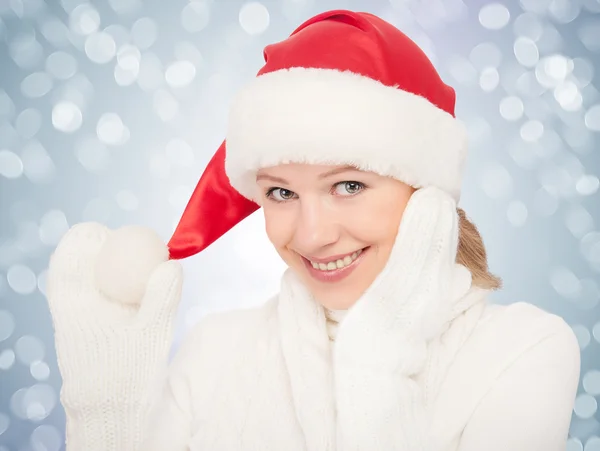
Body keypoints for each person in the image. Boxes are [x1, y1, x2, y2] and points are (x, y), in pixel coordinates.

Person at [46, 9, 580, 451]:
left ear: (428, 194)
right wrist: (108, 422)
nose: (312, 235)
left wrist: (381, 360)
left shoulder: (522, 350)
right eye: (281, 193)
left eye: (348, 185)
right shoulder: (216, 352)